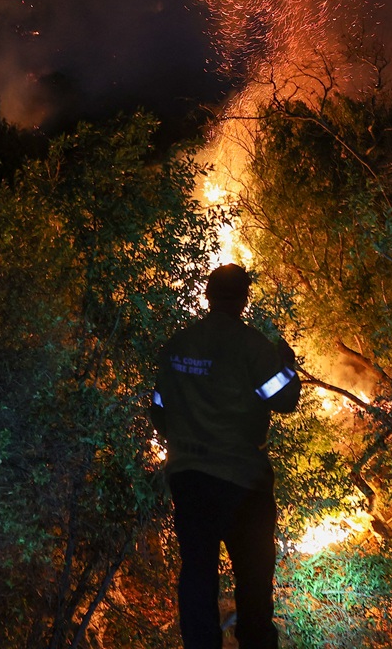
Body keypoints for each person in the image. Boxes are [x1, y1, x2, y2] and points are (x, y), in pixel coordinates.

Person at [150, 263, 301, 649]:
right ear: (244, 299)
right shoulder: (253, 346)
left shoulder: (176, 346)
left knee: (198, 575)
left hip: (190, 479)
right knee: (253, 579)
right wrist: (288, 367)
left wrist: (187, 442)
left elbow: (159, 411)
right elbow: (284, 400)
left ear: (207, 295)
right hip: (243, 483)